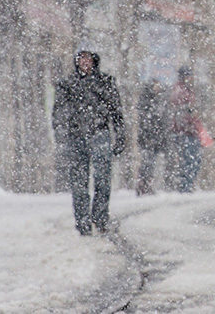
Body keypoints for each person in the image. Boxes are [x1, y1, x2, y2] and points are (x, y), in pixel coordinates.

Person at [51, 50, 125, 235]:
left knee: (103, 178)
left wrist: (120, 134)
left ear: (94, 60)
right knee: (79, 182)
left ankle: (100, 217)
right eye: (81, 58)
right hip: (75, 136)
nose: (85, 62)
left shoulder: (105, 83)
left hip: (99, 133)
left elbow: (116, 111)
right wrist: (61, 136)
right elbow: (59, 113)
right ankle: (82, 222)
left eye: (88, 58)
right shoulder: (67, 85)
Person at [167, 67, 205, 193]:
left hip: (189, 131)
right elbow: (181, 113)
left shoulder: (186, 90)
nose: (191, 78)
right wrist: (189, 119)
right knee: (190, 160)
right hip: (185, 132)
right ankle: (185, 186)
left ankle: (187, 185)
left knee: (192, 160)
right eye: (188, 76)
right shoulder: (180, 91)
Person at [135, 80, 169, 195]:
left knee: (151, 163)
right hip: (147, 138)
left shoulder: (159, 100)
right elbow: (146, 121)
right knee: (147, 163)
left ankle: (146, 185)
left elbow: (162, 121)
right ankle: (143, 186)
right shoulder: (147, 101)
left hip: (155, 137)